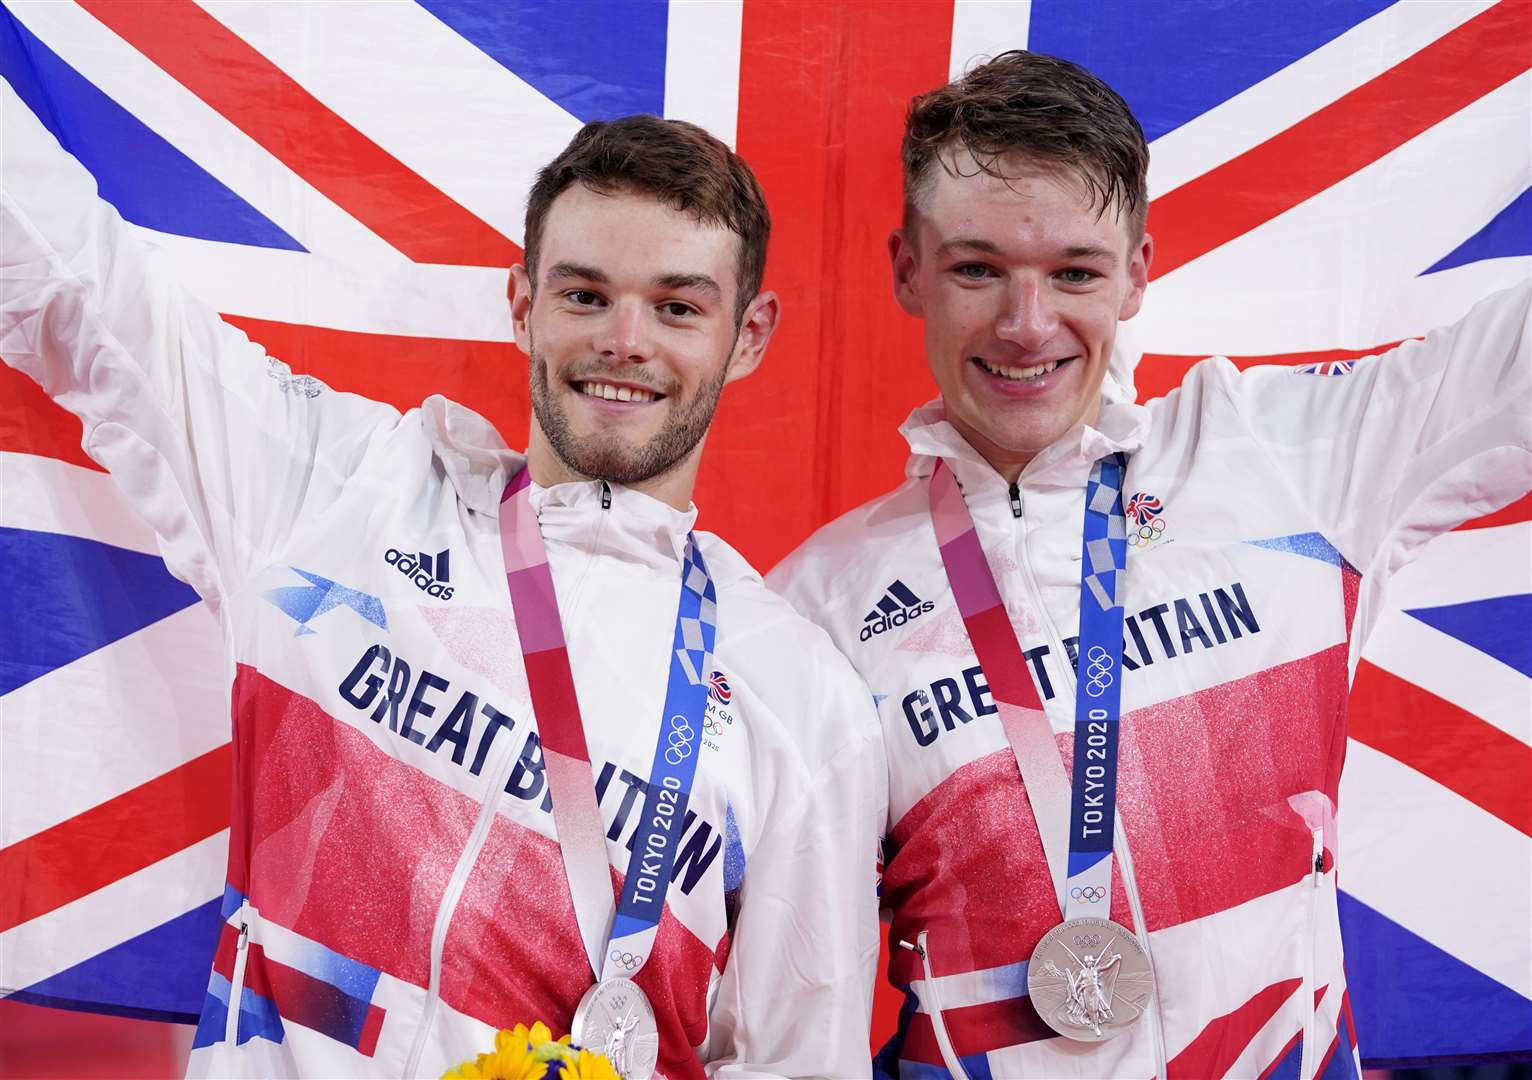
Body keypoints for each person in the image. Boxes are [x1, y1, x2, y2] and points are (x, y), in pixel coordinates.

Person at [0, 83, 885, 1078]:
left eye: (677, 306)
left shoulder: (801, 700)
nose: (623, 342)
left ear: (749, 335)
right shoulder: (333, 492)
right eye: (583, 294)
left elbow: (801, 1065)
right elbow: (81, 284)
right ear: (521, 304)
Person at [769, 50, 1530, 1079]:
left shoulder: (1287, 459)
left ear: (1136, 272)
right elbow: (781, 990)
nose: (1025, 325)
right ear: (906, 269)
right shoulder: (814, 603)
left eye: (1074, 271)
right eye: (976, 267)